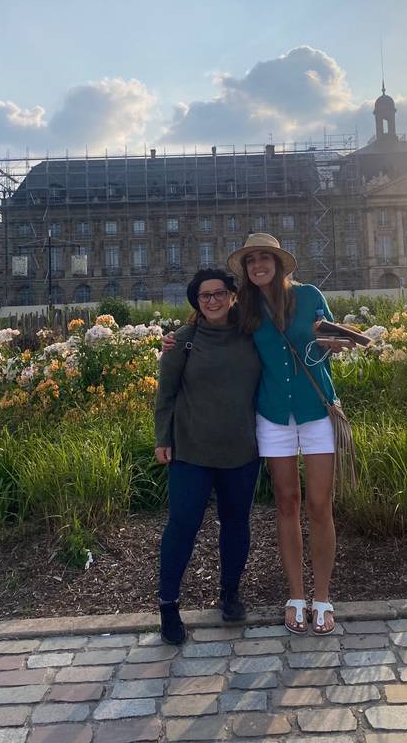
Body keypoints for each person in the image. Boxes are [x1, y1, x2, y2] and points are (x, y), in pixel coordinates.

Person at [227, 233, 350, 636]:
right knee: (286, 504)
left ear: (278, 263)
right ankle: (295, 595)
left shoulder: (311, 295)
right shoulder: (244, 306)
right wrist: (176, 341)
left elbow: (331, 338)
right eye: (251, 261)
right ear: (246, 269)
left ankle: (323, 597)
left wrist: (334, 343)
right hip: (274, 414)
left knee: (319, 506)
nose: (258, 265)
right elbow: (210, 328)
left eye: (265, 258)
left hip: (316, 412)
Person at [154, 268, 261, 645]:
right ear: (196, 303)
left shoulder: (253, 335)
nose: (212, 301)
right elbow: (165, 395)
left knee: (236, 524)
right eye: (204, 296)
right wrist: (162, 439)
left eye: (218, 293)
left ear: (233, 295)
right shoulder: (182, 341)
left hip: (242, 449)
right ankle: (168, 605)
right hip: (191, 451)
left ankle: (230, 594)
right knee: (182, 526)